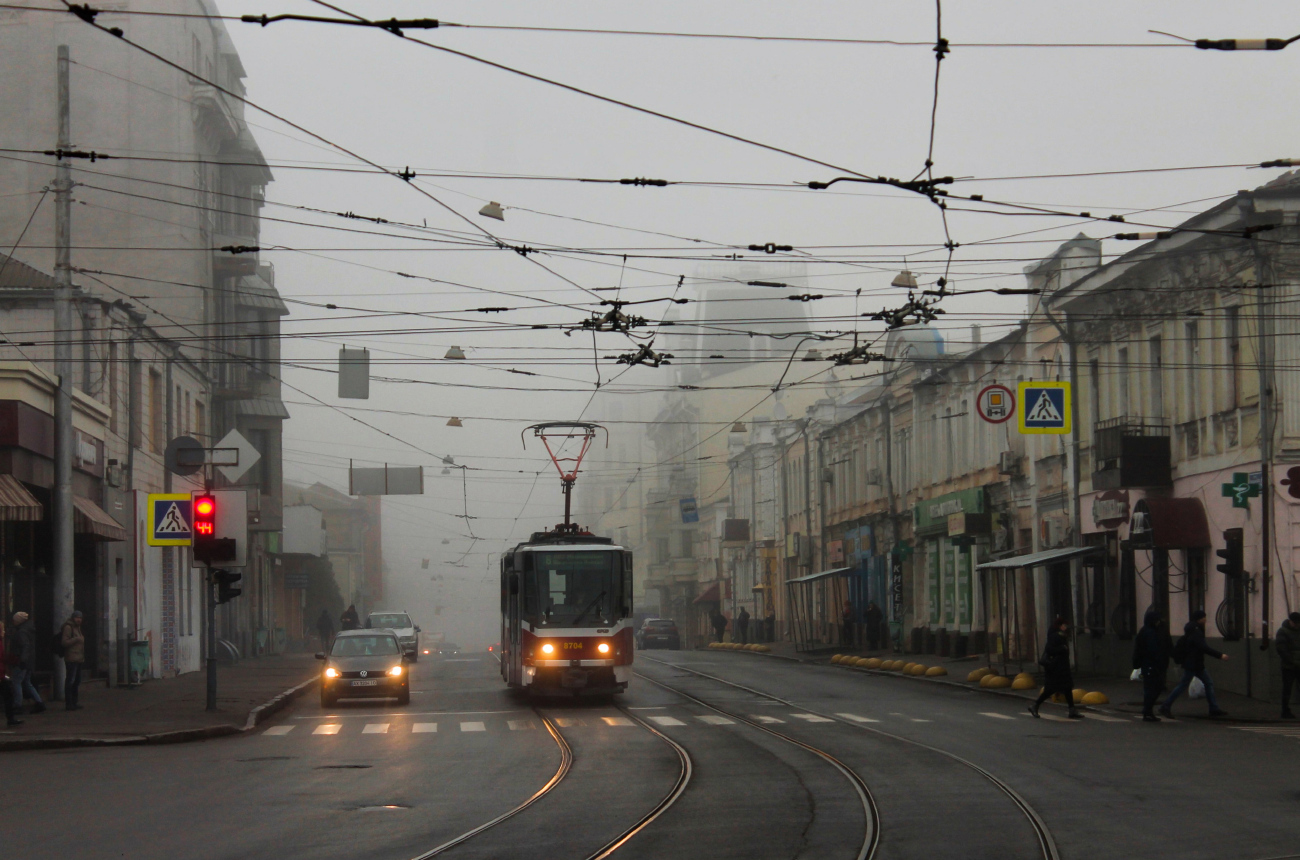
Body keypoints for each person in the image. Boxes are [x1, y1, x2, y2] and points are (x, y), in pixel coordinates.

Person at [1160, 609, 1229, 718]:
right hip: (1194, 663)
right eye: (1204, 617)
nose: (1206, 619)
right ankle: (1165, 706)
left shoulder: (1191, 629)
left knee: (1207, 683)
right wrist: (1220, 655)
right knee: (1185, 685)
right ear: (1200, 619)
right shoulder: (1196, 631)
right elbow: (1203, 647)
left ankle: (1214, 708)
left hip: (1194, 663)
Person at [1030, 617, 1082, 719]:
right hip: (1055, 668)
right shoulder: (1055, 636)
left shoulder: (1061, 635)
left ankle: (1072, 710)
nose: (1066, 627)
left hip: (1062, 667)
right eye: (1064, 625)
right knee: (1051, 689)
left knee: (1067, 688)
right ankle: (1035, 705)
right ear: (1060, 625)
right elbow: (1049, 649)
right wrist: (1062, 648)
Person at [1132, 609, 1170, 722]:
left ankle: (1147, 711)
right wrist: (1158, 660)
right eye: (1157, 620)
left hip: (1149, 664)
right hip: (1150, 664)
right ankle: (1147, 711)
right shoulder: (1149, 632)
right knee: (1152, 688)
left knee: (1153, 688)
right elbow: (1152, 649)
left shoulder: (1147, 631)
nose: (1159, 622)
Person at [8, 612, 44, 714]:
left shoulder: (21, 632)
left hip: (22, 661)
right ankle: (39, 702)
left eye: (14, 620)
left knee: (17, 682)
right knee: (27, 682)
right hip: (29, 661)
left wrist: (22, 660)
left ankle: (18, 705)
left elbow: (25, 647)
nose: (13, 622)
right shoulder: (29, 630)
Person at [1275, 611, 1300, 719]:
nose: (1297, 625)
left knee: (1288, 689)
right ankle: (1285, 711)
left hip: (1294, 665)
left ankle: (1286, 711)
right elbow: (1282, 649)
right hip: (1289, 666)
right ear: (1290, 621)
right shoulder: (1283, 631)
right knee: (1287, 689)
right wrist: (1292, 661)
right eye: (1295, 623)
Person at [60, 610, 85, 711]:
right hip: (71, 658)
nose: (79, 620)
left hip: (78, 658)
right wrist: (77, 639)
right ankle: (69, 703)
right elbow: (64, 642)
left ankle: (74, 702)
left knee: (77, 681)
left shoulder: (77, 627)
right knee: (70, 680)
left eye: (80, 618)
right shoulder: (68, 627)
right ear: (73, 618)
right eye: (77, 617)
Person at [0, 621, 20, 727]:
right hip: (1, 675)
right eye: (2, 630)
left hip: (2, 675)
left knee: (8, 695)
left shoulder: (1, 642)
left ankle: (11, 718)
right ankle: (11, 719)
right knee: (8, 695)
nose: (4, 632)